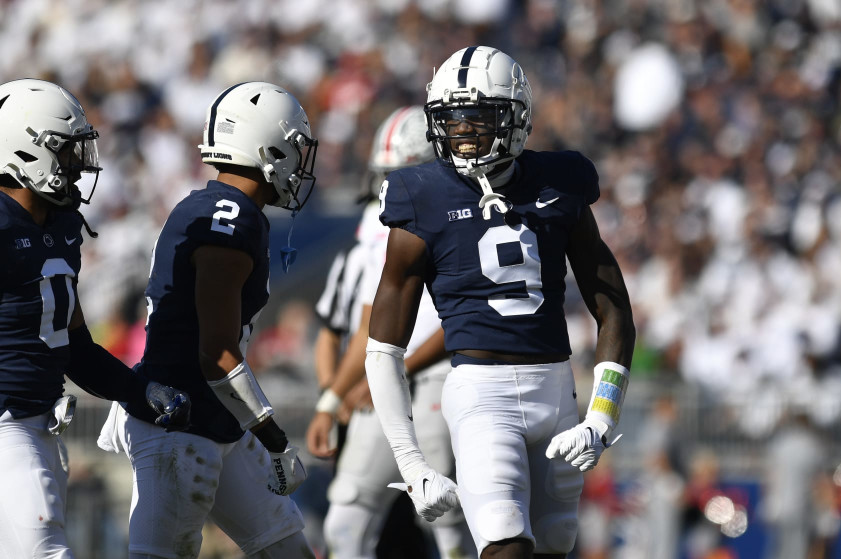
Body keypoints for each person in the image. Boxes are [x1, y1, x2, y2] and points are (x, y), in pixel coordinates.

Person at [363, 46, 636, 559]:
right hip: (481, 396)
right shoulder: (420, 196)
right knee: (504, 541)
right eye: (452, 120)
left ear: (517, 117)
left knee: (557, 541)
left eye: (478, 119)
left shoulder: (562, 182)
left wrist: (601, 418)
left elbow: (613, 308)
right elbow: (382, 349)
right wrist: (413, 465)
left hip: (557, 390)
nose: (463, 132)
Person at [97, 81, 318, 558]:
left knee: (287, 549)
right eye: (294, 149)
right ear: (269, 147)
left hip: (213, 415)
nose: (299, 165)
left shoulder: (226, 208)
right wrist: (274, 437)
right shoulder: (231, 217)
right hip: (178, 420)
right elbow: (216, 352)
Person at [0, 78, 191, 558]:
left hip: (37, 424)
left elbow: (74, 346)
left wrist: (136, 390)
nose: (78, 167)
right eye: (66, 153)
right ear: (26, 151)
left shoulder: (62, 226)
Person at [307, 106, 475, 559]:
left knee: (449, 517)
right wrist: (336, 394)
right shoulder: (376, 238)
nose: (388, 188)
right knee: (348, 514)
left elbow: (458, 324)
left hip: (440, 381)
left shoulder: (462, 222)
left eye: (396, 175)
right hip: (382, 383)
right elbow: (358, 328)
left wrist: (370, 380)